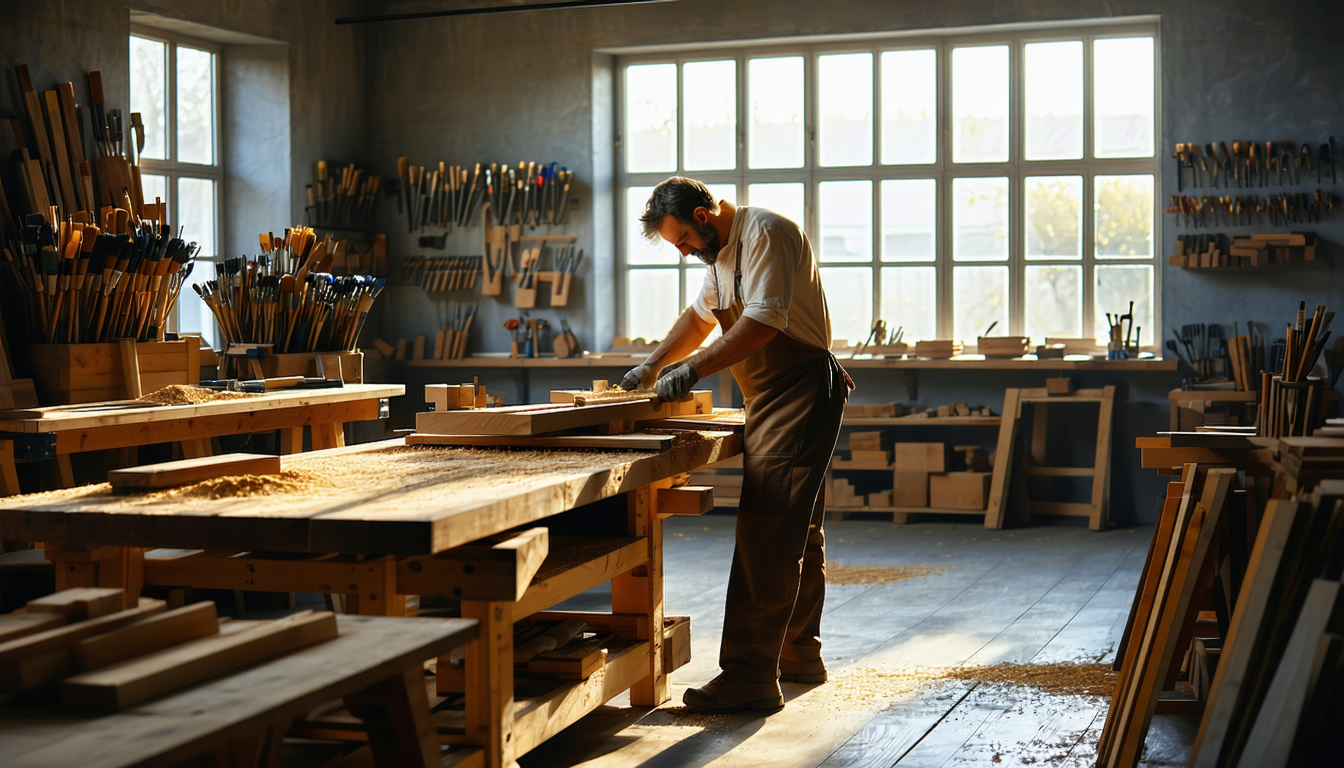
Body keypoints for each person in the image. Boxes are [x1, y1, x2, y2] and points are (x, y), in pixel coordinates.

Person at [621, 177, 852, 714]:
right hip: (767, 394)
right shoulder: (719, 258)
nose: (682, 252)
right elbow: (699, 319)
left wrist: (692, 369)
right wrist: (653, 363)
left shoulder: (767, 232)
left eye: (681, 240)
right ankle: (798, 654)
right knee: (798, 528)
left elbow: (763, 324)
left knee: (766, 528)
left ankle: (750, 675)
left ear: (704, 216)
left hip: (797, 389)